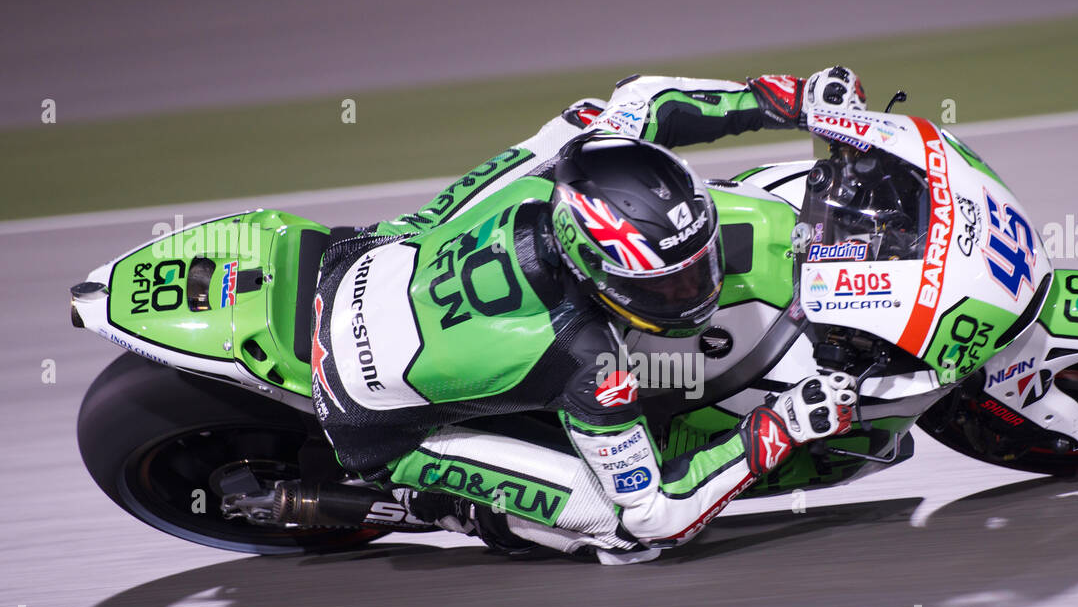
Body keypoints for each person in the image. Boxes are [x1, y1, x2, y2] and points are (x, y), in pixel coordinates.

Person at [310, 67, 870, 563]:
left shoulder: (584, 161)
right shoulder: (590, 362)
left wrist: (797, 102)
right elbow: (657, 514)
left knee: (577, 122)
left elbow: (648, 96)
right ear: (599, 272)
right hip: (364, 415)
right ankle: (448, 508)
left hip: (360, 261)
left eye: (698, 265)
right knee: (627, 533)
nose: (696, 290)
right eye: (670, 284)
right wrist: (780, 427)